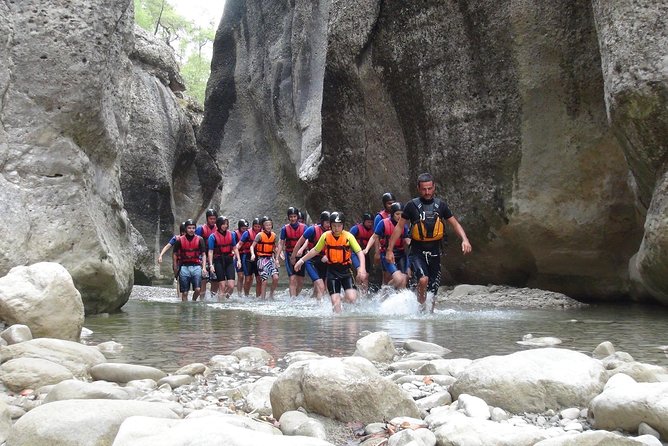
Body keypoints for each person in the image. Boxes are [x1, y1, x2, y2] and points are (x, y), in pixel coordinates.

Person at [386, 173, 472, 311]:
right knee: (423, 280)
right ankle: (420, 310)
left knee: (432, 290)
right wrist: (389, 250)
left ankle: (429, 315)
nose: (427, 192)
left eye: (430, 188)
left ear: (434, 187)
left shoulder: (441, 205)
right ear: (418, 189)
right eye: (424, 189)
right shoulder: (411, 206)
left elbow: (455, 224)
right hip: (417, 251)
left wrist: (465, 239)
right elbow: (399, 227)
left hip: (435, 251)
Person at [295, 212, 367, 313]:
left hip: (346, 271)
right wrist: (301, 260)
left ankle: (342, 300)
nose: (336, 228)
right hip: (332, 272)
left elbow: (359, 252)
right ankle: (336, 325)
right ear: (331, 225)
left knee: (351, 298)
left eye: (339, 226)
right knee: (334, 301)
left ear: (343, 225)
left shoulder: (349, 236)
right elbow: (315, 250)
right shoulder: (325, 236)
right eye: (334, 226)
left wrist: (362, 268)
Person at [364, 202, 411, 289]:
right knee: (398, 278)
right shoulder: (383, 223)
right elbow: (374, 237)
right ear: (392, 214)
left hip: (400, 254)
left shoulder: (404, 226)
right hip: (387, 253)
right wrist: (367, 249)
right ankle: (385, 291)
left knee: (404, 279)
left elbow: (407, 239)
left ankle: (397, 298)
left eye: (401, 214)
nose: (399, 216)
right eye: (397, 214)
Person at [291, 211, 330, 300]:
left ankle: (316, 304)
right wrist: (293, 257)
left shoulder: (332, 231)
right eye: (327, 222)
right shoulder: (312, 230)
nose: (329, 225)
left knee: (324, 288)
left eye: (330, 222)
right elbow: (299, 243)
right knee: (321, 286)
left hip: (324, 260)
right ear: (322, 221)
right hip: (311, 260)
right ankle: (320, 309)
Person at [207, 216, 241, 300]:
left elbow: (235, 248)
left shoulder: (231, 234)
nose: (225, 226)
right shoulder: (212, 237)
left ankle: (225, 299)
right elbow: (210, 251)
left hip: (229, 260)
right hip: (218, 260)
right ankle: (220, 303)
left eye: (226, 224)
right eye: (223, 224)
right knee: (222, 285)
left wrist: (239, 260)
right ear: (219, 224)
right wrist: (211, 265)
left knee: (231, 286)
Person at [173, 219, 207, 302]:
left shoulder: (200, 239)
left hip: (196, 266)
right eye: (189, 228)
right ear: (185, 229)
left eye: (193, 228)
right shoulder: (179, 240)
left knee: (198, 289)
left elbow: (203, 254)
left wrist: (204, 267)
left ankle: (193, 301)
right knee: (184, 292)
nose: (191, 230)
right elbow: (175, 254)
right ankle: (185, 309)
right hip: (184, 267)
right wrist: (175, 266)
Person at [278, 206, 306, 297]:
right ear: (288, 217)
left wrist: (302, 250)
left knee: (300, 281)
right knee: (292, 278)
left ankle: (296, 296)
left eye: (294, 216)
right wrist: (277, 256)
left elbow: (307, 241)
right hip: (289, 255)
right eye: (291, 217)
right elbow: (281, 243)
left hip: (301, 255)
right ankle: (292, 299)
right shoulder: (284, 229)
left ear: (297, 217)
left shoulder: (304, 227)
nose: (293, 218)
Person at [250, 216, 280, 299]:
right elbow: (252, 246)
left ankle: (271, 294)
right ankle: (262, 298)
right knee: (264, 280)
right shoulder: (259, 235)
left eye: (270, 225)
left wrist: (278, 256)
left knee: (276, 278)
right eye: (266, 225)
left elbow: (276, 247)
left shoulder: (274, 235)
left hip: (270, 259)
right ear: (263, 226)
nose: (268, 227)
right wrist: (253, 254)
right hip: (261, 260)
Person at [349, 212, 374, 293]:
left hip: (366, 256)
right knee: (361, 273)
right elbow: (347, 240)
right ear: (364, 221)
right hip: (355, 255)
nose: (370, 224)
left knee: (366, 275)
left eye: (371, 222)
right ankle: (358, 290)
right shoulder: (356, 229)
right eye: (368, 222)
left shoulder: (373, 231)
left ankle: (364, 294)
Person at [236, 217, 262, 297]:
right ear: (253, 226)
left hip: (259, 257)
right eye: (255, 226)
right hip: (248, 257)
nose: (257, 228)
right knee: (247, 279)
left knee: (259, 279)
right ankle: (246, 295)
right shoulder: (247, 233)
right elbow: (239, 245)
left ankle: (258, 297)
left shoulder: (262, 233)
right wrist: (235, 252)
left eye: (258, 226)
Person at [196, 209, 218, 299]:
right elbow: (196, 242)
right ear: (207, 219)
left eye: (214, 218)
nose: (212, 220)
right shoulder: (200, 229)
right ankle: (202, 299)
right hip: (203, 256)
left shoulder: (219, 228)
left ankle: (213, 298)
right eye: (210, 218)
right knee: (203, 279)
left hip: (215, 256)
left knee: (215, 279)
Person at [374, 192, 396, 285]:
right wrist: (377, 253)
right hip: (384, 249)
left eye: (393, 203)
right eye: (389, 203)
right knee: (387, 275)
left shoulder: (398, 214)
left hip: (396, 248)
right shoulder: (379, 217)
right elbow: (376, 237)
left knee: (397, 274)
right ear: (384, 204)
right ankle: (383, 295)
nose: (391, 205)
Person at [234, 219, 249, 296]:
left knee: (248, 276)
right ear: (239, 228)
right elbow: (234, 245)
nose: (245, 230)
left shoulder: (249, 233)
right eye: (243, 229)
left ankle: (246, 293)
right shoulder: (235, 234)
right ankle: (239, 293)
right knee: (240, 276)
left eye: (246, 228)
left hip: (246, 256)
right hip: (238, 255)